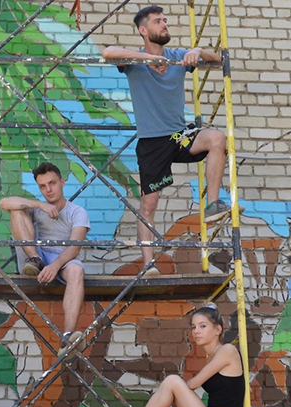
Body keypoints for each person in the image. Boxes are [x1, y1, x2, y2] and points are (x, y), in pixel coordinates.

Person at [102, 5, 231, 277]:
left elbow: (218, 59)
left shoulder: (176, 56)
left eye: (165, 20)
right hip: (152, 142)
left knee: (217, 138)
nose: (164, 24)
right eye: (157, 21)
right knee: (148, 206)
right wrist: (146, 58)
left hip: (178, 135)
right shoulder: (134, 62)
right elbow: (108, 52)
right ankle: (149, 264)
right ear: (143, 30)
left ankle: (213, 204)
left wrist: (198, 51)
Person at [43, 304, 244, 407]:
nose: (196, 331)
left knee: (173, 381)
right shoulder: (212, 357)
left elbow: (194, 384)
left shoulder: (228, 350)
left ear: (218, 329)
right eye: (193, 327)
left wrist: (171, 394)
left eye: (203, 326)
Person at [0, 162, 90, 341]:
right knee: (16, 210)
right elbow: (4, 203)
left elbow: (75, 246)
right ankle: (35, 259)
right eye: (42, 186)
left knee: (77, 270)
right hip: (34, 256)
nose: (48, 190)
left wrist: (55, 266)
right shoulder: (37, 209)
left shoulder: (77, 212)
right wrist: (40, 205)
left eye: (52, 183)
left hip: (62, 260)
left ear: (62, 182)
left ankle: (67, 336)